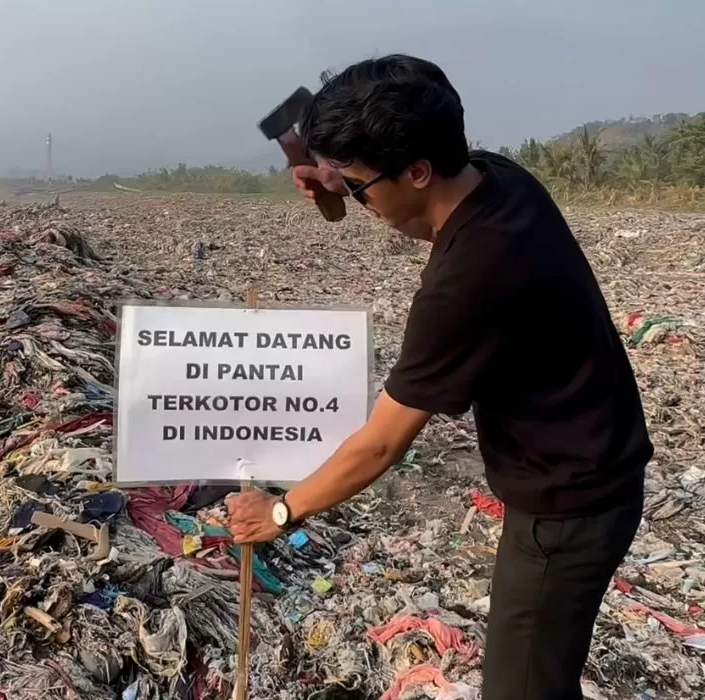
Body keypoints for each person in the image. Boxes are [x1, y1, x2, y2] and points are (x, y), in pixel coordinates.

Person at [225, 54, 653, 700]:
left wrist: (280, 512)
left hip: (568, 511)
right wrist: (342, 185)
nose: (358, 200)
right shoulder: (499, 180)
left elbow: (381, 444)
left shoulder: (463, 285)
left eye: (360, 184)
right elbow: (427, 214)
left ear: (418, 170)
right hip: (596, 470)